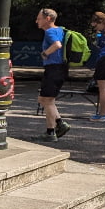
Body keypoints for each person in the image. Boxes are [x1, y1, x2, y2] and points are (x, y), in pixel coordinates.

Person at [36, 8, 70, 141]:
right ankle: (57, 126)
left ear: (48, 18)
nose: (37, 21)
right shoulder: (60, 30)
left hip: (53, 69)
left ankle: (52, 131)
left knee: (46, 100)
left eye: (39, 18)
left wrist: (45, 53)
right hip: (60, 69)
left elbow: (57, 45)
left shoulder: (50, 31)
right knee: (45, 99)